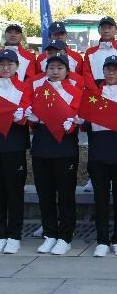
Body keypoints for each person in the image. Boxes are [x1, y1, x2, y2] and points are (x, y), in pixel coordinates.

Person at [26, 53, 82, 255]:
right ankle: (50, 233)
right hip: (42, 145)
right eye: (51, 68)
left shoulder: (74, 91)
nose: (55, 72)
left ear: (67, 71)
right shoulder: (38, 90)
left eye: (59, 68)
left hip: (65, 147)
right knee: (45, 193)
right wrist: (29, 117)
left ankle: (65, 236)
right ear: (45, 70)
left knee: (66, 194)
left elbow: (75, 115)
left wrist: (70, 123)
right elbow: (31, 118)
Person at [83, 55, 117, 257]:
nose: (111, 73)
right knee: (101, 199)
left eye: (115, 69)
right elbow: (85, 123)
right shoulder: (92, 95)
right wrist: (82, 118)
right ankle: (102, 239)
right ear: (103, 72)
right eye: (108, 69)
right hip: (98, 152)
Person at [0, 49, 32, 254]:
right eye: (2, 64)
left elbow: (27, 112)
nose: (5, 68)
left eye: (9, 64)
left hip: (14, 145)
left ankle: (14, 234)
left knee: (14, 191)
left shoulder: (24, 87)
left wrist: (21, 115)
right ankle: (1, 233)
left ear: (16, 66)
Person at [83, 16, 117, 88]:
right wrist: (96, 92)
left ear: (115, 30)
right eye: (103, 27)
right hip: (95, 95)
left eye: (109, 27)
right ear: (99, 30)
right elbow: (86, 74)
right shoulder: (90, 53)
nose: (106, 30)